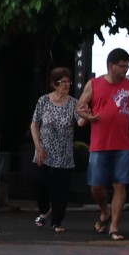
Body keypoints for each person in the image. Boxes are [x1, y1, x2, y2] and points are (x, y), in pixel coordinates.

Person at [77, 48, 129, 241]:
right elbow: (80, 106)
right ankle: (105, 211)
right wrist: (88, 115)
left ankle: (114, 227)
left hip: (124, 143)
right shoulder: (94, 84)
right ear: (111, 65)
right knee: (96, 185)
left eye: (127, 66)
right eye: (122, 66)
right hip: (99, 143)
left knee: (119, 185)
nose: (125, 70)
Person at [28, 67, 79, 233]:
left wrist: (88, 117)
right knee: (38, 179)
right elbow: (34, 123)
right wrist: (38, 146)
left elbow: (81, 121)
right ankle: (44, 209)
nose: (66, 85)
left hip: (63, 153)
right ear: (54, 84)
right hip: (44, 150)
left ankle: (57, 221)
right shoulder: (43, 101)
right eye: (62, 82)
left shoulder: (73, 103)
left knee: (60, 188)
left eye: (68, 82)